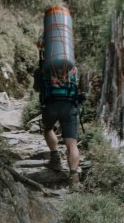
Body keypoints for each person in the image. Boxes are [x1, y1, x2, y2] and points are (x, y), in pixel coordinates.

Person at [33, 39, 86, 188]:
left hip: (51, 106)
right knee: (72, 144)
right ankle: (74, 178)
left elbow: (38, 88)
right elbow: (80, 88)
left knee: (48, 128)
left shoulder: (43, 70)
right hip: (69, 107)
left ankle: (55, 158)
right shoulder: (74, 69)